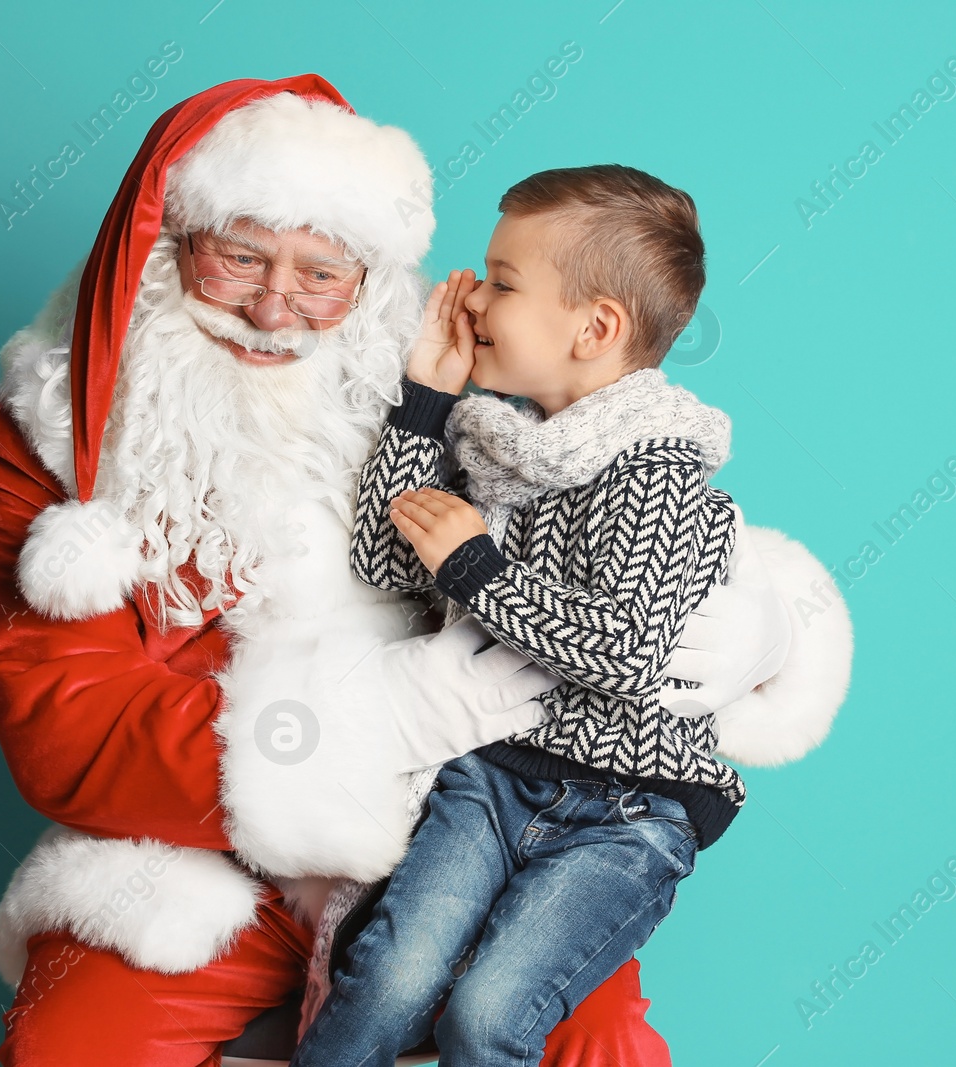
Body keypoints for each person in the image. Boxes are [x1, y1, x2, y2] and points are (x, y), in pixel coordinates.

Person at [0, 77, 850, 1066]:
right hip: (198, 867)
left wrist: (767, 624)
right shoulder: (49, 441)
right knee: (68, 1045)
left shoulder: (462, 366)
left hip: (481, 826)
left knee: (596, 1038)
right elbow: (64, 730)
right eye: (240, 255)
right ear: (169, 246)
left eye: (320, 272)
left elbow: (634, 491)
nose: (274, 306)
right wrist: (384, 718)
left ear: (367, 277)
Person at [291, 164, 754, 1067]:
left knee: (487, 1016)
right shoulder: (505, 446)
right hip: (492, 780)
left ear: (596, 328)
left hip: (625, 808)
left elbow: (622, 649)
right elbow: (387, 561)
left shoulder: (657, 474)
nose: (478, 298)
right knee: (387, 979)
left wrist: (475, 564)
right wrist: (425, 399)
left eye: (503, 282)